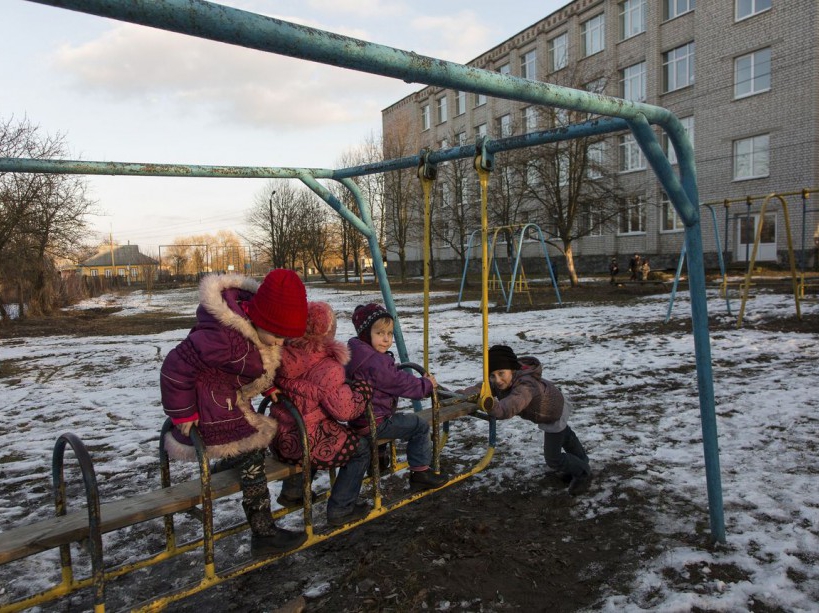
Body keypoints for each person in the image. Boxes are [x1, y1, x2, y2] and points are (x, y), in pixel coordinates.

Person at [160, 269, 309, 555]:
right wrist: (183, 413)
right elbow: (175, 366)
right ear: (260, 319)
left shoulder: (252, 332)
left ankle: (218, 470)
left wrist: (267, 388)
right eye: (278, 335)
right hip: (210, 409)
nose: (280, 342)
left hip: (228, 403)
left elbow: (251, 366)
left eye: (286, 338)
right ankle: (264, 533)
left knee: (250, 453)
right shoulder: (225, 337)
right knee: (253, 456)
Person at [326, 303, 448, 526]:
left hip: (359, 419)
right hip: (375, 421)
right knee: (419, 426)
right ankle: (420, 472)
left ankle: (379, 461)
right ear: (365, 334)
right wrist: (425, 385)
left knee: (370, 442)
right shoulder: (373, 361)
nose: (386, 339)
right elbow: (398, 381)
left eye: (390, 334)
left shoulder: (355, 352)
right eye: (380, 333)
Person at [268, 301, 372, 507]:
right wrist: (361, 393)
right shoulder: (328, 367)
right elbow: (345, 411)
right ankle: (342, 506)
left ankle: (293, 491)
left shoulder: (280, 355)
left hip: (279, 437)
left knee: (314, 428)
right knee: (359, 448)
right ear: (329, 330)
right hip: (306, 442)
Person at [459, 345, 592, 495]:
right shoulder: (501, 380)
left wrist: (490, 405)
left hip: (554, 413)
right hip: (549, 407)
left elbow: (507, 408)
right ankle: (581, 460)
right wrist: (461, 395)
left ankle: (583, 473)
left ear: (512, 369)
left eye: (501, 373)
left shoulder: (526, 387)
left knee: (553, 459)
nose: (497, 380)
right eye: (492, 375)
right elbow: (481, 388)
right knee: (565, 436)